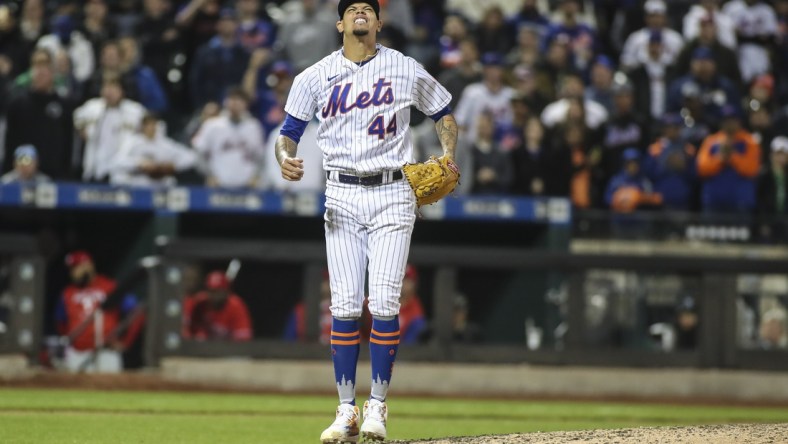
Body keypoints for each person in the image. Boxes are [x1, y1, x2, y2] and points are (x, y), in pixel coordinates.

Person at [275, 1, 457, 441]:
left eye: (367, 8)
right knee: (343, 304)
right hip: (341, 191)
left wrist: (449, 154)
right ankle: (345, 410)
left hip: (394, 190)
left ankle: (377, 405)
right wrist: (285, 159)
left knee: (386, 302)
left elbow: (443, 112)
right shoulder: (313, 76)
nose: (360, 12)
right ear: (340, 23)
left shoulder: (404, 67)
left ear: (378, 21)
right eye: (351, 8)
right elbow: (288, 134)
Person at [54, 251, 143, 373]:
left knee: (111, 389)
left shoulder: (110, 287)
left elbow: (136, 313)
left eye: (78, 267)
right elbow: (61, 323)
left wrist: (125, 342)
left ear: (89, 265)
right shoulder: (67, 293)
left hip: (106, 352)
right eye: (72, 269)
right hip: (77, 353)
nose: (75, 272)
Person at [74, 78, 146, 182]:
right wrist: (81, 129)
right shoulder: (93, 107)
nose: (109, 92)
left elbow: (152, 126)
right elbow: (77, 116)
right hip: (96, 166)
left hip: (124, 171)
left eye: (113, 88)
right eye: (106, 88)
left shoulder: (135, 110)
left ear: (121, 91)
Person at [192, 87, 265, 188]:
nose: (235, 103)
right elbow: (199, 152)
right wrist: (209, 175)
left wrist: (256, 176)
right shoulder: (212, 125)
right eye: (232, 99)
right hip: (218, 187)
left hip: (247, 188)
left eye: (239, 100)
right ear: (225, 102)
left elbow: (260, 157)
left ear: (246, 104)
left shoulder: (254, 126)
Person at [696, 105, 761, 213]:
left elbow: (752, 170)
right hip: (714, 203)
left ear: (739, 121)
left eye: (732, 120)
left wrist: (732, 156)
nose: (729, 123)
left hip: (741, 203)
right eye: (726, 120)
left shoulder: (750, 141)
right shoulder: (711, 141)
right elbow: (702, 169)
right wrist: (720, 158)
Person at [110, 113, 199, 187]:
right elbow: (117, 161)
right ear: (142, 127)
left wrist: (173, 165)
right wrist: (139, 163)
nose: (151, 128)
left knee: (171, 181)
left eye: (154, 124)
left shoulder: (164, 143)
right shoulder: (132, 142)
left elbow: (190, 157)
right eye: (148, 125)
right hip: (137, 185)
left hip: (159, 186)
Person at [182, 270, 253, 341]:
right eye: (211, 291)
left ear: (227, 292)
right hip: (201, 349)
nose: (214, 295)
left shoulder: (236, 305)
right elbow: (184, 328)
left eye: (218, 291)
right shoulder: (199, 302)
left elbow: (243, 340)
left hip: (226, 350)